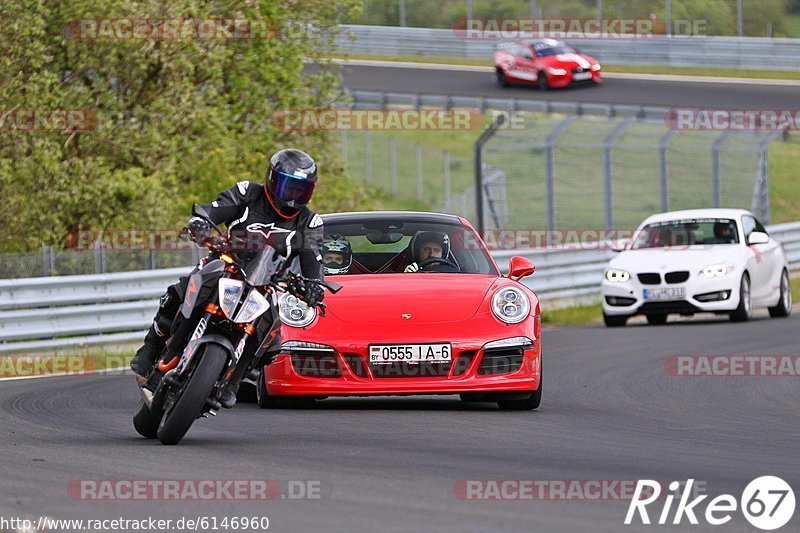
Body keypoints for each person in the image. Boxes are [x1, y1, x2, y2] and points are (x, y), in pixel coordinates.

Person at [130, 148, 325, 408]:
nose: (291, 197)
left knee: (273, 338)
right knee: (182, 290)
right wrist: (200, 221)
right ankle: (150, 348)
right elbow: (213, 210)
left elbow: (314, 261)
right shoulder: (248, 193)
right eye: (288, 187)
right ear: (271, 178)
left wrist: (314, 287)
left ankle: (234, 381)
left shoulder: (310, 223)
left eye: (300, 190)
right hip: (227, 263)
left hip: (265, 284)